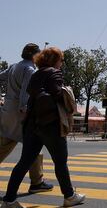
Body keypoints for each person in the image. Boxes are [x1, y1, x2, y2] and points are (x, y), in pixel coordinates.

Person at [2, 47, 85, 208]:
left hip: (32, 125)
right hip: (51, 125)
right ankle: (69, 196)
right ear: (54, 60)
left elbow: (32, 94)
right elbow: (55, 94)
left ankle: (9, 200)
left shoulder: (36, 73)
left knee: (24, 162)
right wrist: (66, 93)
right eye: (61, 59)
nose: (62, 63)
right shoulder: (54, 73)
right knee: (60, 162)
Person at [0, 44, 53, 199]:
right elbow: (26, 93)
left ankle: (37, 181)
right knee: (35, 147)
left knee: (4, 146)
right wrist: (25, 110)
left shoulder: (14, 66)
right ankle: (36, 182)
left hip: (7, 113)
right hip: (20, 115)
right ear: (33, 55)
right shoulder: (29, 70)